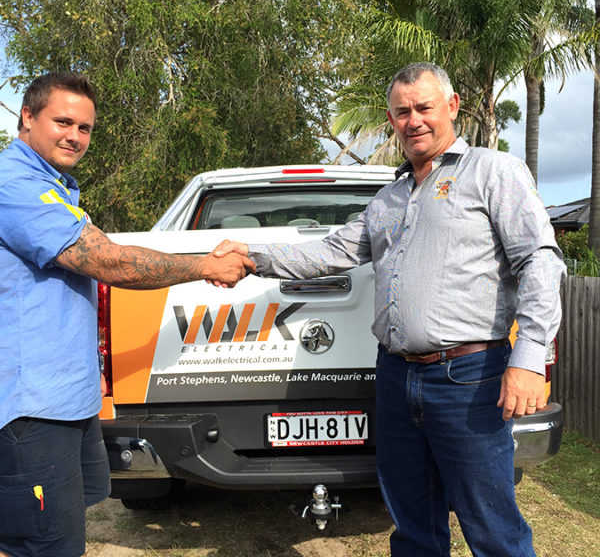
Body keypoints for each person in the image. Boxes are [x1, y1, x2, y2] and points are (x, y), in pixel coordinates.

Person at [211, 62, 566, 556]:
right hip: (397, 378)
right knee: (413, 527)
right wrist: (252, 258)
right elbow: (330, 252)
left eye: (424, 107)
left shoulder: (493, 171)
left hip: (469, 378)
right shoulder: (387, 199)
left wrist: (529, 356)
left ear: (452, 106)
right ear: (390, 119)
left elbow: (541, 261)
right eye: (402, 112)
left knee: (493, 530)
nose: (413, 120)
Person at [0, 72, 255, 557]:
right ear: (27, 117)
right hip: (32, 409)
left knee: (57, 527)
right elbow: (109, 262)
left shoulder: (53, 186)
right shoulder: (15, 186)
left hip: (65, 398)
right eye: (62, 122)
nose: (75, 136)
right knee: (41, 542)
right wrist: (204, 265)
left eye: (85, 128)